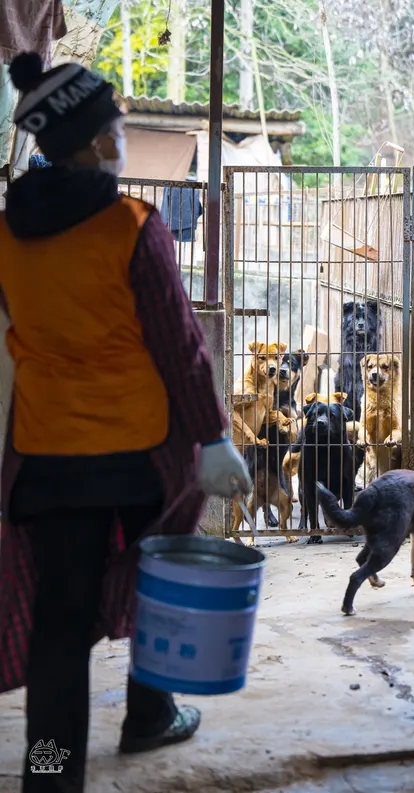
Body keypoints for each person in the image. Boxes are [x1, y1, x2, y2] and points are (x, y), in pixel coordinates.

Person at [0, 52, 251, 793]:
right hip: (138, 455)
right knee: (156, 584)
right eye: (115, 130)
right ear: (91, 143)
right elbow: (180, 345)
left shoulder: (7, 232)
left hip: (46, 456)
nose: (122, 141)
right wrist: (213, 436)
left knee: (59, 625)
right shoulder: (131, 226)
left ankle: (50, 775)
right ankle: (148, 715)